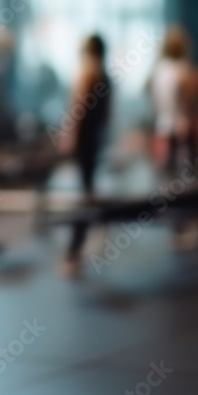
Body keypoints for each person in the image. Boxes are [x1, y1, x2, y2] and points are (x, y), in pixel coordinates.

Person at [59, 34, 111, 276]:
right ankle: (78, 247)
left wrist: (69, 135)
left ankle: (74, 251)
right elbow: (106, 114)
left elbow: (77, 107)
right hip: (95, 141)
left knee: (84, 196)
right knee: (87, 192)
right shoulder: (104, 75)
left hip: (86, 142)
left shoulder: (88, 72)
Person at [148, 25, 198, 174]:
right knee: (191, 170)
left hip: (163, 125)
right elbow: (190, 101)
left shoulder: (158, 71)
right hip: (181, 125)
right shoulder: (184, 70)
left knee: (168, 169)